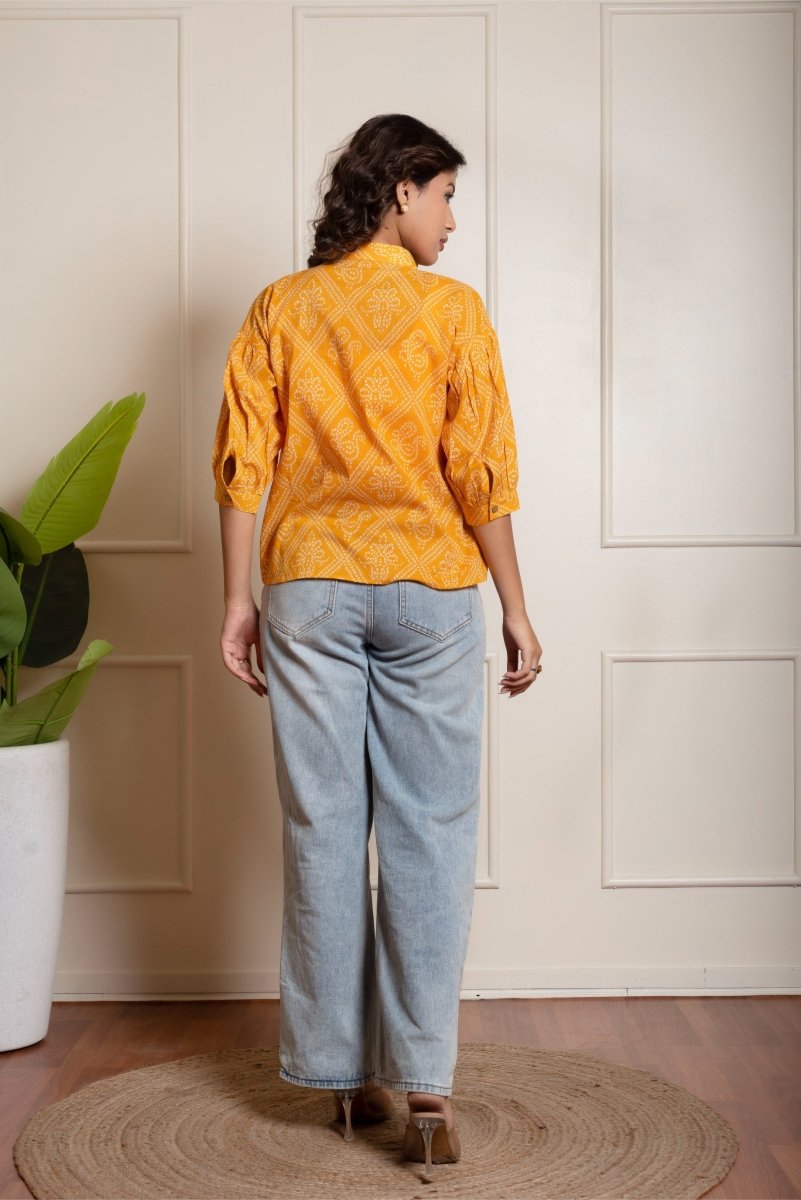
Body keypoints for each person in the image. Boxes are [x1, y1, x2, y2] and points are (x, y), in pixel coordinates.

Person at [211, 113, 543, 1181]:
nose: (451, 219)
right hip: (429, 589)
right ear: (400, 190)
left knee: (323, 825)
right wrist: (515, 604)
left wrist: (237, 600)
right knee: (430, 831)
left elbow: (244, 464)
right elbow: (479, 472)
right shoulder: (454, 312)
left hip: (307, 585)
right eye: (445, 195)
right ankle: (428, 1090)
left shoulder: (281, 307)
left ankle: (343, 1078)